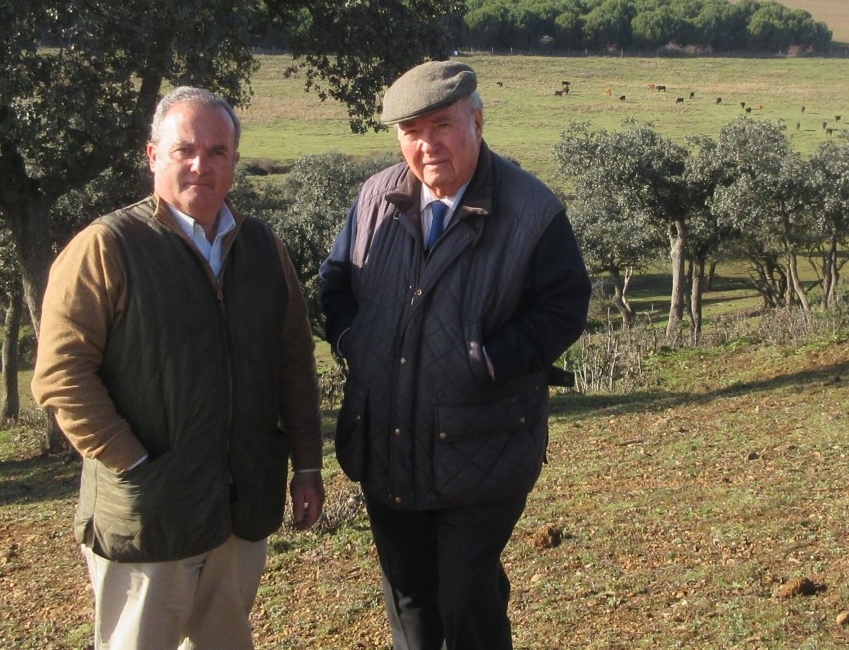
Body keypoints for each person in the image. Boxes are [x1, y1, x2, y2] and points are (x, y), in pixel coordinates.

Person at [32, 86, 325, 650]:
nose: (200, 165)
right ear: (152, 156)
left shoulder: (263, 248)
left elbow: (293, 361)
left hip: (240, 509)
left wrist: (307, 463)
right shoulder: (106, 246)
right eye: (184, 149)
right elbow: (61, 375)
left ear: (234, 161)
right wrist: (136, 463)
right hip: (148, 517)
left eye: (217, 152)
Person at [319, 60, 591, 650]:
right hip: (387, 442)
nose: (427, 144)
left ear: (477, 121)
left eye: (442, 124)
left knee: (467, 599)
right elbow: (335, 280)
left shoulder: (533, 210)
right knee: (409, 603)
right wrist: (354, 341)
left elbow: (564, 305)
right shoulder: (375, 198)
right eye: (411, 131)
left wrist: (489, 361)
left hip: (482, 446)